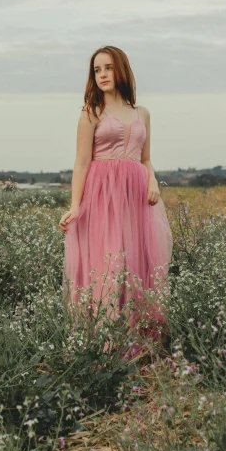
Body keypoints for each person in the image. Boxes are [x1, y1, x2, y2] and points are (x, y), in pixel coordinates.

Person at [59, 45, 172, 343]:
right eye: (97, 70)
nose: (102, 75)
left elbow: (145, 159)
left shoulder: (142, 113)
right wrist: (75, 206)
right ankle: (105, 343)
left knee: (137, 263)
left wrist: (153, 183)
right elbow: (81, 162)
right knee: (110, 263)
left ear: (120, 69)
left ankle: (139, 339)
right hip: (101, 195)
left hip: (135, 196)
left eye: (108, 68)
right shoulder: (91, 112)